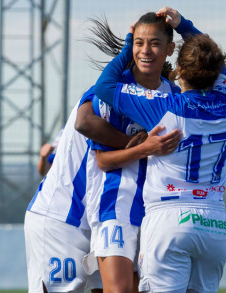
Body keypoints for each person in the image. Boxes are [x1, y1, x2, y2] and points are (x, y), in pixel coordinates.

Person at [93, 6, 226, 293]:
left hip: (170, 218)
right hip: (214, 223)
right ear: (216, 73)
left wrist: (128, 44)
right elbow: (214, 60)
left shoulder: (163, 107)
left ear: (179, 70)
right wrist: (184, 25)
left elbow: (104, 86)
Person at [25, 88, 179, 292]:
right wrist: (139, 146)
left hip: (104, 217)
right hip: (63, 216)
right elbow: (54, 167)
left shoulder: (161, 108)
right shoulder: (102, 96)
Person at [78, 12, 182, 293]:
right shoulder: (115, 93)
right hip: (117, 207)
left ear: (170, 48)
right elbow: (102, 161)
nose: (145, 51)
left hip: (159, 212)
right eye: (139, 42)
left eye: (155, 43)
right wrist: (144, 149)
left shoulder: (176, 96)